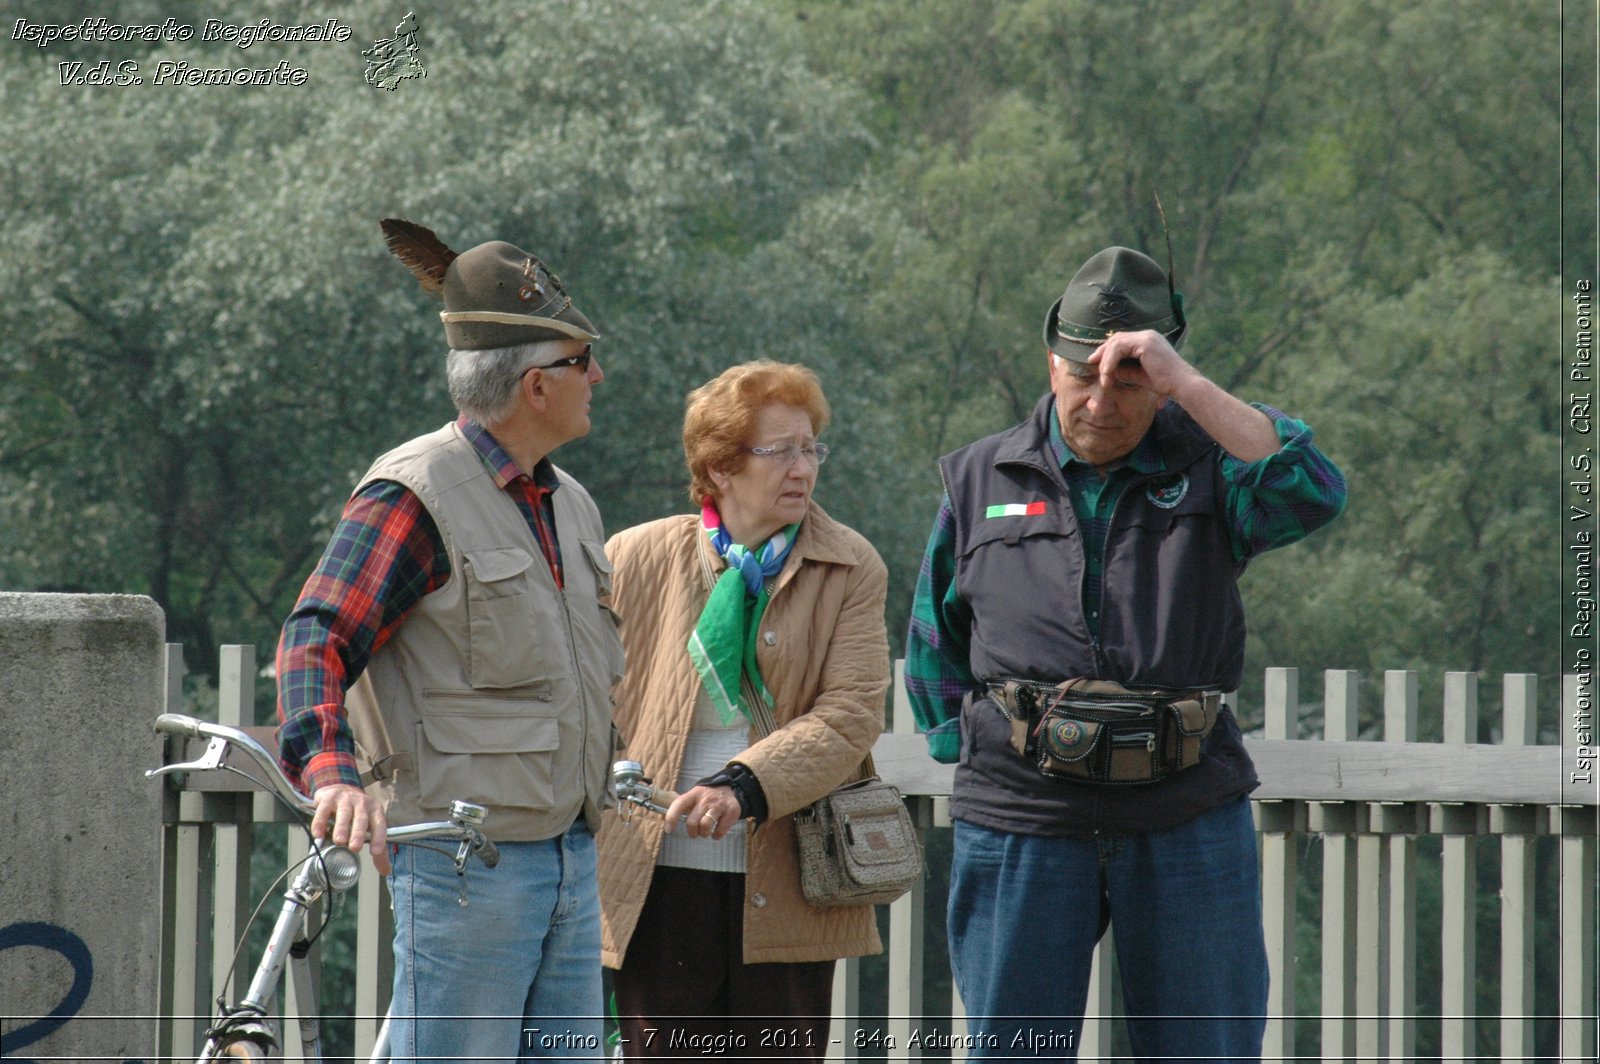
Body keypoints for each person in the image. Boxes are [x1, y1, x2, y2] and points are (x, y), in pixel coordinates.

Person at [905, 246, 1347, 1062]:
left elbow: (1313, 489)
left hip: (1185, 812)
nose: (1101, 401)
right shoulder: (977, 476)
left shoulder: (1214, 465)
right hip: (1022, 818)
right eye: (1082, 377)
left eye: (1131, 379)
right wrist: (980, 748)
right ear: (1052, 362)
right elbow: (934, 639)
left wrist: (1188, 386)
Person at [276, 219, 624, 1061]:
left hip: (572, 863)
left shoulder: (571, 501)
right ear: (535, 386)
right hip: (468, 871)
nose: (598, 376)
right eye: (581, 362)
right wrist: (333, 775)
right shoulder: (414, 493)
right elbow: (313, 640)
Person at [596, 360, 890, 1061]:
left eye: (810, 447)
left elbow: (851, 714)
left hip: (791, 877)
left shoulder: (850, 564)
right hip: (653, 875)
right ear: (721, 468)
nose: (803, 467)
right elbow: (586, 701)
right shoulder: (635, 557)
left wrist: (743, 785)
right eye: (779, 450)